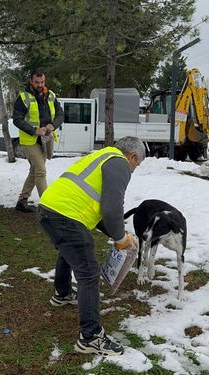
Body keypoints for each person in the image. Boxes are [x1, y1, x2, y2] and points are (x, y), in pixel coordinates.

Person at [37, 136, 145, 356]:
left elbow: (96, 207)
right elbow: (112, 208)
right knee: (88, 272)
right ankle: (91, 337)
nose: (134, 170)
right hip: (66, 215)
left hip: (49, 208)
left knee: (69, 251)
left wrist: (119, 234)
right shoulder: (120, 163)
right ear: (132, 157)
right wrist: (120, 237)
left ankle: (63, 293)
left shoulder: (100, 155)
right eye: (137, 165)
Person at [12, 69, 64, 213]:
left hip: (46, 138)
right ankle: (48, 206)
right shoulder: (23, 97)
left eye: (42, 82)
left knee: (34, 171)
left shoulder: (51, 95)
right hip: (30, 140)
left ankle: (22, 201)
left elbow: (60, 114)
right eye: (37, 82)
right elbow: (17, 120)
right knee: (40, 171)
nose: (40, 85)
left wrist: (53, 125)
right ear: (31, 81)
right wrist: (35, 130)